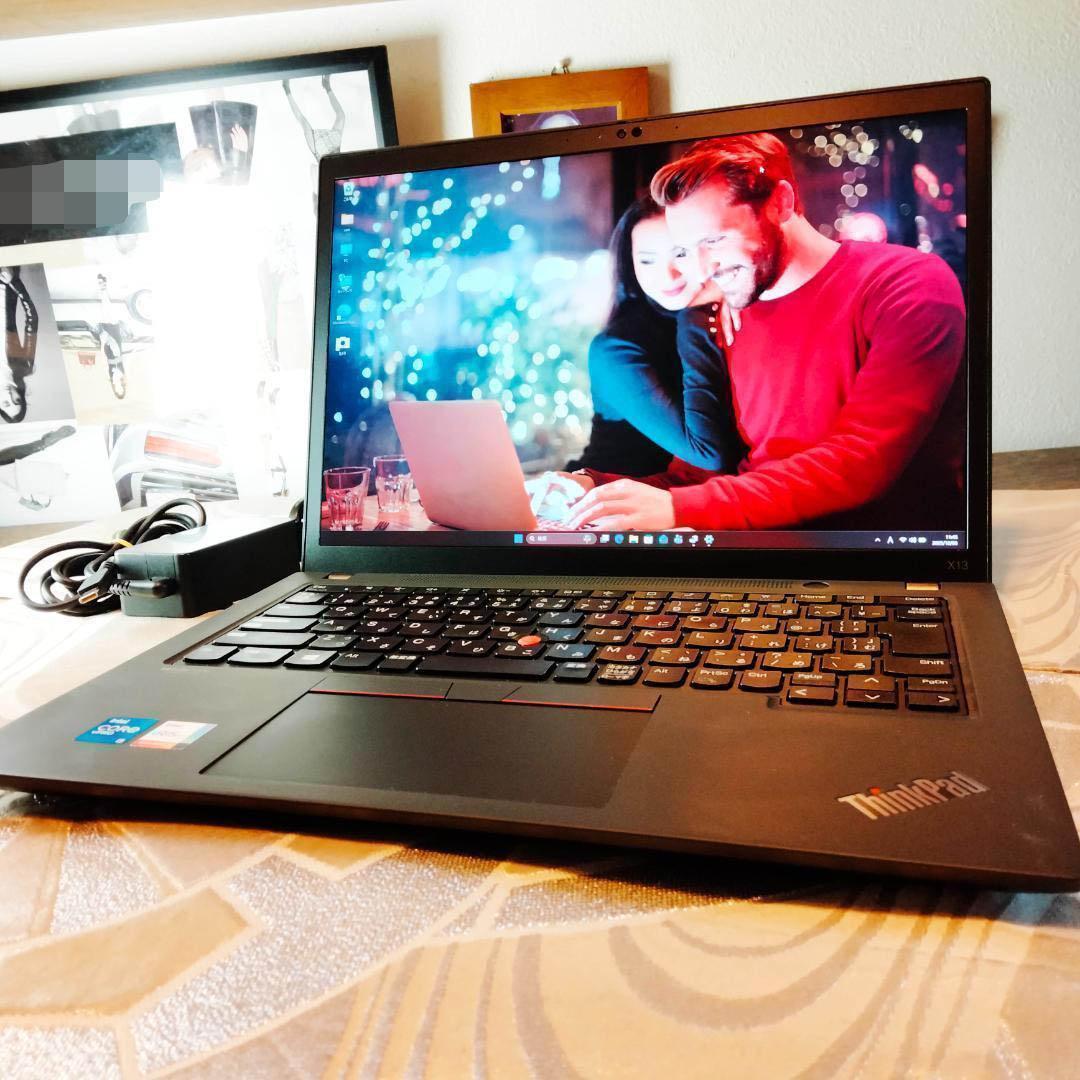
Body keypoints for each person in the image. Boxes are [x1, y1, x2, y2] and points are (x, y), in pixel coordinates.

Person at [566, 133, 966, 533]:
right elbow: (700, 479)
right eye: (687, 249)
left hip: (873, 550)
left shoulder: (906, 285)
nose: (700, 271)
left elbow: (861, 460)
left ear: (781, 203)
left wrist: (679, 508)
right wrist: (594, 491)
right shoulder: (727, 308)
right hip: (759, 545)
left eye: (714, 240)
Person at [568, 195, 746, 476]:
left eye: (680, 254)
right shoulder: (616, 348)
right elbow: (709, 454)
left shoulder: (728, 312)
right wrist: (696, 313)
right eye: (647, 260)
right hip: (607, 492)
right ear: (631, 264)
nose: (667, 275)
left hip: (690, 496)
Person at [1, 266, 38, 424]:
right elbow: (32, 319)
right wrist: (13, 282)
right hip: (4, 281)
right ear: (21, 396)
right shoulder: (25, 365)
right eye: (16, 400)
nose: (9, 396)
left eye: (6, 403)